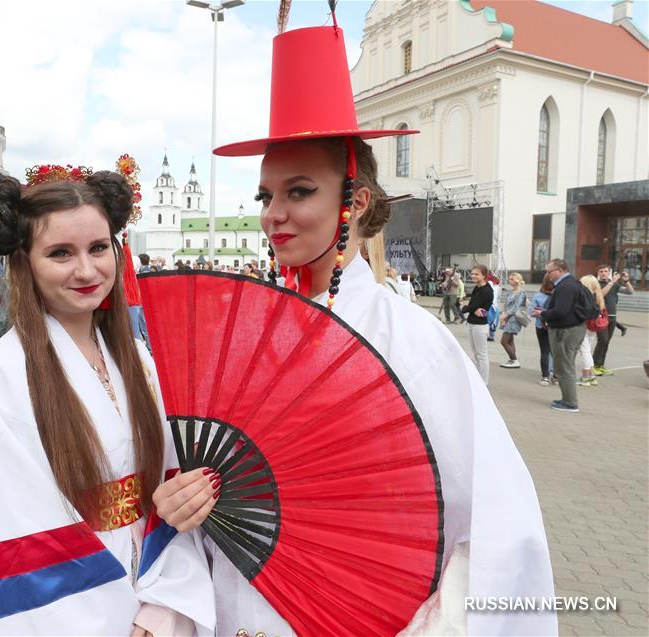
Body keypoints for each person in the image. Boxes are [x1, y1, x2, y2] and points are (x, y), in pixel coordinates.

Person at [152, 21, 554, 637]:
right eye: (265, 195)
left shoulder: (412, 345)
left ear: (356, 201)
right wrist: (182, 501)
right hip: (231, 606)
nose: (273, 214)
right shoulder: (241, 340)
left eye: (300, 191)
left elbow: (498, 524)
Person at [0, 171, 214, 636]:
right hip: (66, 610)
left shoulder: (138, 357)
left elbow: (168, 486)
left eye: (98, 248)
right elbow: (8, 529)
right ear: (24, 263)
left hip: (159, 585)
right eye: (61, 253)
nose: (86, 270)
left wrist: (161, 605)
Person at [533, 258, 584, 413]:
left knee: (564, 366)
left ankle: (570, 403)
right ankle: (567, 399)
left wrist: (544, 314)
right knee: (564, 365)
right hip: (572, 329)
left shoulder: (565, 286)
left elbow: (561, 311)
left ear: (560, 270)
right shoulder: (570, 283)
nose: (548, 275)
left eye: (550, 271)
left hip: (566, 331)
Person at [593, 265, 633, 375]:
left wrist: (626, 281)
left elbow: (630, 292)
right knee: (603, 340)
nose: (603, 273)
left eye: (606, 271)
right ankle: (594, 365)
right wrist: (612, 282)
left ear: (609, 272)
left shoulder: (615, 284)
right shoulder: (596, 283)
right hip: (600, 316)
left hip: (612, 317)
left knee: (607, 342)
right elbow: (600, 295)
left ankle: (601, 365)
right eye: (601, 271)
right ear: (598, 273)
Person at [461, 265, 494, 384]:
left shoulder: (486, 290)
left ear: (484, 275)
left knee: (482, 355)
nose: (473, 276)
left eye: (476, 274)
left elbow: (471, 306)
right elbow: (473, 305)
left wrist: (466, 308)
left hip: (480, 326)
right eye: (472, 273)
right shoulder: (477, 288)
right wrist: (472, 308)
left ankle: (484, 382)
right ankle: (478, 379)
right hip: (471, 323)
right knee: (475, 354)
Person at [577, 275, 605, 387]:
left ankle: (585, 377)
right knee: (587, 350)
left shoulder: (585, 296)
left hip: (584, 325)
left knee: (585, 351)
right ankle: (592, 376)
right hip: (594, 326)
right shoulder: (598, 296)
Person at [498, 272, 527, 369]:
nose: (509, 281)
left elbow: (516, 307)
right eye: (509, 279)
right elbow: (506, 305)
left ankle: (514, 360)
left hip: (514, 319)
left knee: (504, 341)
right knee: (510, 341)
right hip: (508, 318)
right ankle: (512, 360)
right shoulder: (511, 292)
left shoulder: (521, 293)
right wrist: (503, 315)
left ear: (517, 280)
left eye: (512, 279)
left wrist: (505, 315)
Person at [530, 274, 554, 386]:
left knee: (544, 351)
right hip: (556, 327)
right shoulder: (560, 295)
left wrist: (541, 313)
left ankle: (545, 377)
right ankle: (556, 376)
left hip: (541, 326)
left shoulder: (538, 295)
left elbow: (531, 312)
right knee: (555, 351)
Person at [486, 272, 501, 341]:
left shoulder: (489, 285)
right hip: (494, 306)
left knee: (488, 321)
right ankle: (491, 336)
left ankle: (487, 335)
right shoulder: (498, 287)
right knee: (493, 321)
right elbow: (498, 298)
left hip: (490, 306)